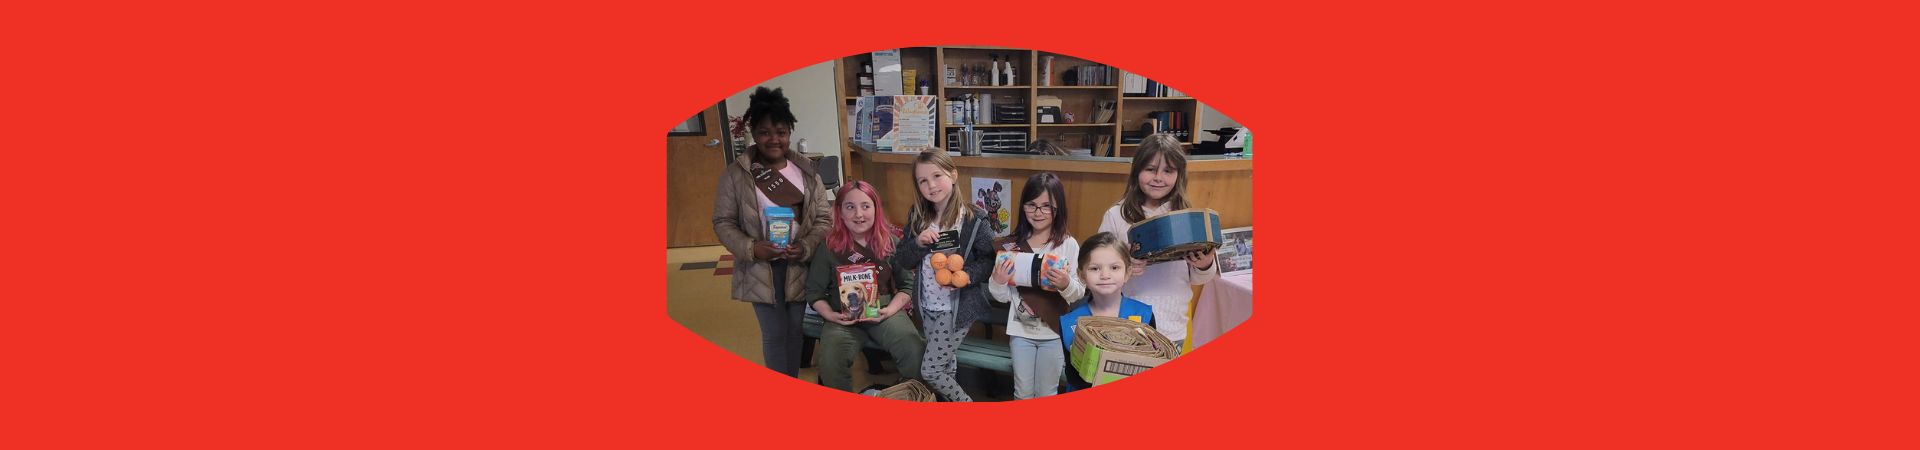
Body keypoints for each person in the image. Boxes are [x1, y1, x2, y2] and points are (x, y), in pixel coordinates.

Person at [711, 87, 831, 377]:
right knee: (775, 334)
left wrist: (806, 246)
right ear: (753, 133)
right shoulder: (736, 174)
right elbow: (722, 222)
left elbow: (824, 219)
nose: (773, 139)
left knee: (795, 332)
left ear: (789, 132)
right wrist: (752, 248)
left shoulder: (807, 171)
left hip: (800, 263)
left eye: (780, 131)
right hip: (760, 268)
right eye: (764, 132)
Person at [890, 149, 995, 401]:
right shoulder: (918, 216)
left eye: (937, 175)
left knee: (932, 370)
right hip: (927, 305)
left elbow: (990, 260)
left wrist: (967, 275)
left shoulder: (973, 219)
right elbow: (903, 259)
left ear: (954, 175)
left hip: (957, 307)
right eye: (923, 180)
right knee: (946, 366)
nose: (931, 185)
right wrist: (918, 242)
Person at [798, 181, 924, 392]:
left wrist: (889, 311)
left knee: (913, 348)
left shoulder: (890, 242)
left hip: (884, 310)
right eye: (850, 207)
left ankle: (907, 396)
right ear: (839, 212)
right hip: (842, 315)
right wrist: (830, 315)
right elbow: (814, 292)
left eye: (866, 206)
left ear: (876, 209)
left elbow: (907, 286)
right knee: (830, 361)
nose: (859, 214)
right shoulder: (828, 247)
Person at [1096, 133, 1218, 350]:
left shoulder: (1186, 218)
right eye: (1150, 169)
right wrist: (1123, 266)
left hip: (1173, 325)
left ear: (1178, 175)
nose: (1158, 178)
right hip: (1127, 326)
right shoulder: (1116, 215)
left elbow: (1200, 279)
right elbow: (1097, 272)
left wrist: (1204, 265)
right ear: (1136, 171)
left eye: (1168, 171)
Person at [987, 172, 1084, 399]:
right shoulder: (1011, 245)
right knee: (1022, 392)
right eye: (1031, 205)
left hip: (1053, 333)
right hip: (1020, 334)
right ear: (1022, 207)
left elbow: (1078, 292)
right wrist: (998, 282)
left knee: (1047, 393)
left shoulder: (1067, 245)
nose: (1038, 213)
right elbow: (1002, 297)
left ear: (1058, 208)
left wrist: (1066, 284)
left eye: (1046, 206)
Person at [1058, 232, 1155, 392]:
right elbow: (1073, 376)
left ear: (1127, 273)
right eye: (1095, 268)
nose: (1105, 275)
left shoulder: (1144, 315)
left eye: (1114, 267)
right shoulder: (1070, 322)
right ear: (1082, 275)